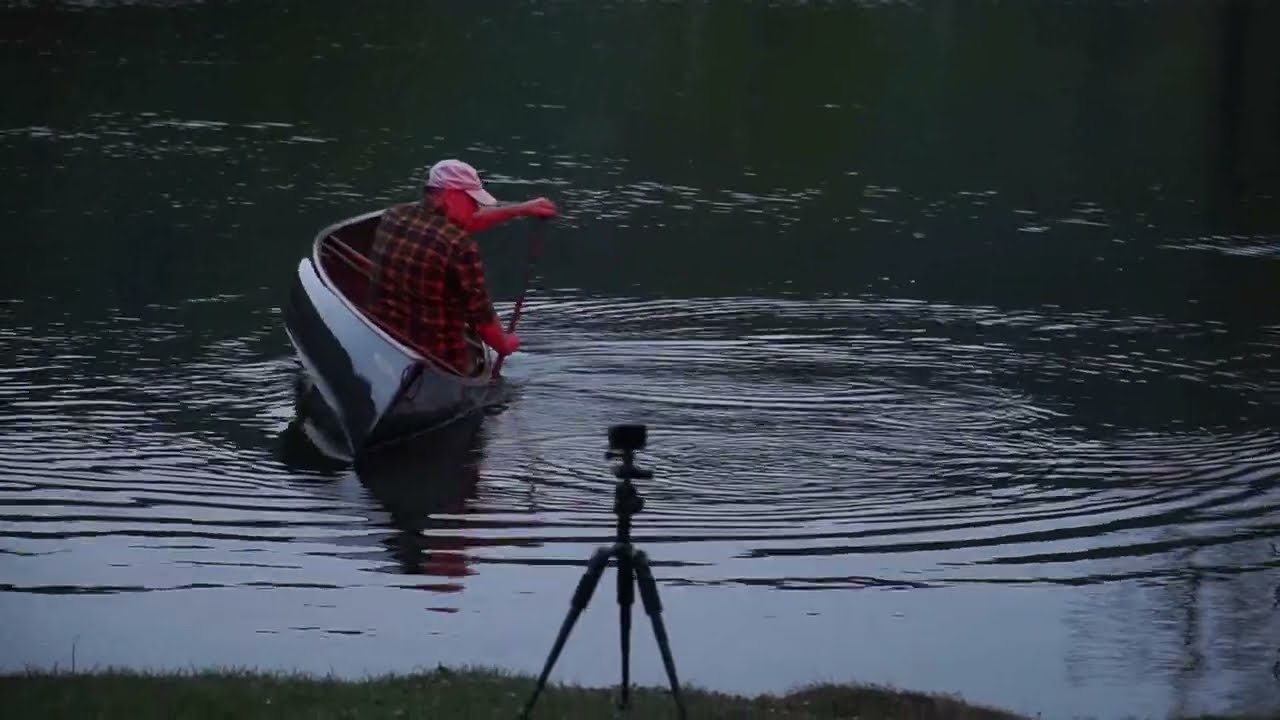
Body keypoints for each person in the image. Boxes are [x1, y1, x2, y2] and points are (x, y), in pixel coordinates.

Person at [366, 158, 557, 375]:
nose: (476, 207)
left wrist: (521, 209)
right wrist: (504, 344)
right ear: (450, 195)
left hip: (384, 336)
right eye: (472, 200)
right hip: (440, 358)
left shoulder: (393, 216)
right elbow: (482, 317)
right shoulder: (460, 246)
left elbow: (468, 221)